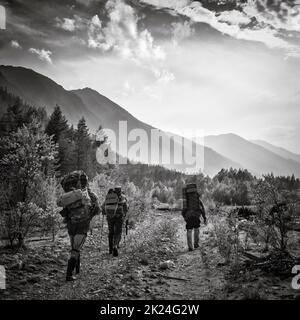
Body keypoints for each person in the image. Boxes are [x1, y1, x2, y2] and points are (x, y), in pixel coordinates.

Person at [57, 170, 100, 281]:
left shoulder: (72, 194)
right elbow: (96, 208)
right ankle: (69, 274)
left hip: (71, 224)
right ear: (85, 182)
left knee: (74, 247)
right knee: (76, 249)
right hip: (82, 224)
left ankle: (77, 268)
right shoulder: (88, 194)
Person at [102, 186, 128, 257]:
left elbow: (103, 206)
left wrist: (105, 213)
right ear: (120, 190)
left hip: (110, 217)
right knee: (118, 232)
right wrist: (125, 214)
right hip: (119, 217)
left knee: (111, 232)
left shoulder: (110, 197)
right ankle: (115, 245)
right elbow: (126, 208)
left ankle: (110, 249)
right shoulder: (123, 197)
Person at [182, 183, 207, 252]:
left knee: (189, 230)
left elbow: (184, 209)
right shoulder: (197, 199)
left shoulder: (186, 198)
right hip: (196, 215)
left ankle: (190, 247)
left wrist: (185, 216)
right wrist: (204, 218)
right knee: (196, 229)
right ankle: (196, 244)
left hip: (188, 215)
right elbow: (202, 209)